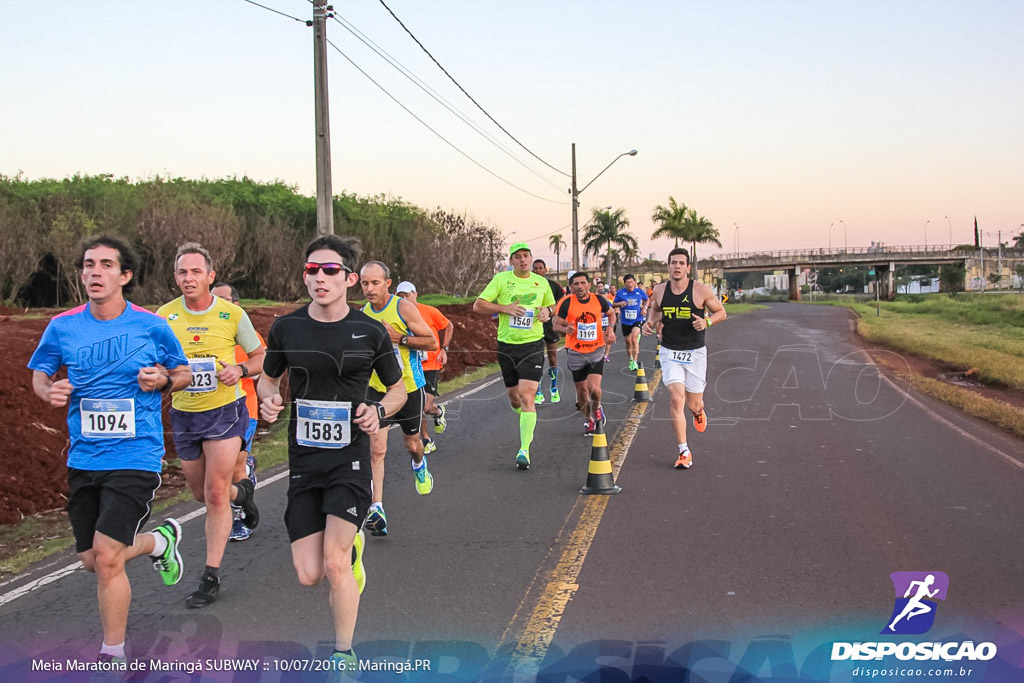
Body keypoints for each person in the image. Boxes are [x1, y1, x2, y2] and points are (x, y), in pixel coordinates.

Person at [28, 235, 191, 668]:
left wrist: (162, 381)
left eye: (105, 265)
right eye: (87, 265)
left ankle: (112, 653)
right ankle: (159, 542)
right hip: (84, 456)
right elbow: (40, 375)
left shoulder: (151, 325)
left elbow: (183, 372)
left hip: (136, 453)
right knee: (90, 559)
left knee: (105, 556)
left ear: (125, 275)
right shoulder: (63, 326)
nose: (94, 272)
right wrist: (49, 392)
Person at [258, 234, 406, 670]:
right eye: (312, 270)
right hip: (304, 460)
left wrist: (378, 410)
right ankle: (353, 545)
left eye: (329, 271)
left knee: (335, 564)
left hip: (351, 458)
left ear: (350, 278)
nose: (319, 278)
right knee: (309, 574)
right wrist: (267, 398)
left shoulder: (370, 330)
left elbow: (397, 390)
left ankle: (345, 654)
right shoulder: (286, 327)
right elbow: (268, 378)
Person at [157, 243, 265, 607]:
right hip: (185, 414)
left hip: (225, 410)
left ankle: (210, 577)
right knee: (201, 493)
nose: (189, 278)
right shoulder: (164, 316)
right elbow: (155, 363)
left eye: (196, 272)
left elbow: (260, 356)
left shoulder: (231, 315)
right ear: (176, 278)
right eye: (183, 273)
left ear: (210, 276)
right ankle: (244, 494)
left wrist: (241, 370)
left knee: (215, 493)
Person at [360, 262, 437, 537]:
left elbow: (431, 342)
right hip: (377, 389)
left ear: (387, 283)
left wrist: (399, 338)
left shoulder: (403, 308)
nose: (369, 289)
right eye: (364, 284)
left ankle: (419, 464)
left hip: (408, 388)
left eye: (375, 283)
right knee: (376, 448)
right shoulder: (362, 315)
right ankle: (377, 508)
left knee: (412, 444)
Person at [473, 243, 556, 470]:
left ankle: (524, 449)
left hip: (533, 345)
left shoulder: (542, 283)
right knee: (514, 398)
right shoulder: (501, 280)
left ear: (531, 259)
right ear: (512, 261)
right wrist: (504, 308)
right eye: (517, 257)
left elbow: (551, 306)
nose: (522, 260)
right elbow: (478, 306)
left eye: (526, 256)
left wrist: (547, 312)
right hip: (507, 346)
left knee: (528, 395)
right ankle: (525, 419)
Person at [642, 248, 726, 469]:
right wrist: (649, 323)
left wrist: (706, 323)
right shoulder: (659, 290)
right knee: (676, 398)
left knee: (693, 402)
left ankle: (698, 411)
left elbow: (721, 312)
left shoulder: (700, 290)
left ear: (688, 267)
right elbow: (656, 310)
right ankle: (684, 451)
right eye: (673, 263)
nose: (677, 266)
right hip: (670, 350)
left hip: (695, 351)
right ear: (668, 266)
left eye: (681, 263)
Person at [211, 283, 265, 542]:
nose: (216, 304)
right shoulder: (204, 333)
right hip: (209, 412)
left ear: (236, 305)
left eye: (222, 299)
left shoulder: (247, 335)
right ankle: (247, 467)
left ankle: (242, 519)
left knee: (234, 469)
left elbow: (263, 366)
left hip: (244, 409)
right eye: (213, 299)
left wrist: (240, 370)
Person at [552, 271, 616, 435]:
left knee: (594, 388)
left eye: (582, 283)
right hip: (576, 352)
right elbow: (556, 325)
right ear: (571, 287)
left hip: (596, 349)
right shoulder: (566, 303)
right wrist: (566, 329)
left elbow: (611, 314)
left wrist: (609, 328)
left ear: (588, 285)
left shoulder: (599, 300)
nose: (579, 286)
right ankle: (588, 420)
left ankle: (597, 408)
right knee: (581, 391)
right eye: (576, 284)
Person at [394, 281, 453, 455]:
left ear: (415, 294)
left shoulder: (429, 311)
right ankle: (426, 439)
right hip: (411, 366)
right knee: (418, 407)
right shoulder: (398, 314)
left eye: (407, 295)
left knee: (427, 407)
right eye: (401, 296)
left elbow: (448, 326)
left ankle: (438, 410)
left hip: (431, 363)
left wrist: (444, 348)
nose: (405, 299)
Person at [531, 259, 565, 405]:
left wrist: (555, 315)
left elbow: (561, 302)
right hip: (534, 325)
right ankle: (538, 391)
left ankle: (554, 387)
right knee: (537, 359)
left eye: (540, 268)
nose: (538, 271)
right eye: (535, 268)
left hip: (549, 325)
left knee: (552, 357)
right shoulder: (528, 284)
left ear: (545, 270)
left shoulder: (553, 285)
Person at [612, 274, 650, 372]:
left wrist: (645, 308)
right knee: (628, 342)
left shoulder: (639, 292)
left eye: (631, 282)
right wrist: (619, 304)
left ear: (635, 282)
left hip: (638, 318)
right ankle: (631, 359)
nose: (630, 284)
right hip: (626, 321)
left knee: (634, 339)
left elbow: (647, 300)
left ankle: (635, 362)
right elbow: (613, 304)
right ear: (624, 283)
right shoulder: (620, 293)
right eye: (628, 282)